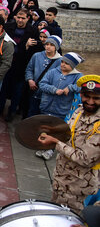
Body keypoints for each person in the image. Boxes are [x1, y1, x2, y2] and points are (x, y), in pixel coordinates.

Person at [37, 75, 100, 213]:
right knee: (53, 212)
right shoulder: (79, 111)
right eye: (86, 96)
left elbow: (85, 158)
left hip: (78, 185)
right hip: (61, 176)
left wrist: (55, 142)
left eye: (96, 98)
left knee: (67, 221)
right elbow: (69, 133)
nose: (90, 101)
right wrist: (53, 130)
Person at [25, 35, 62, 119]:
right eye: (47, 44)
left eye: (51, 45)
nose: (48, 47)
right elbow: (29, 69)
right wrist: (30, 80)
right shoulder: (37, 56)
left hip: (48, 95)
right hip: (34, 91)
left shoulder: (60, 61)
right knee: (31, 114)